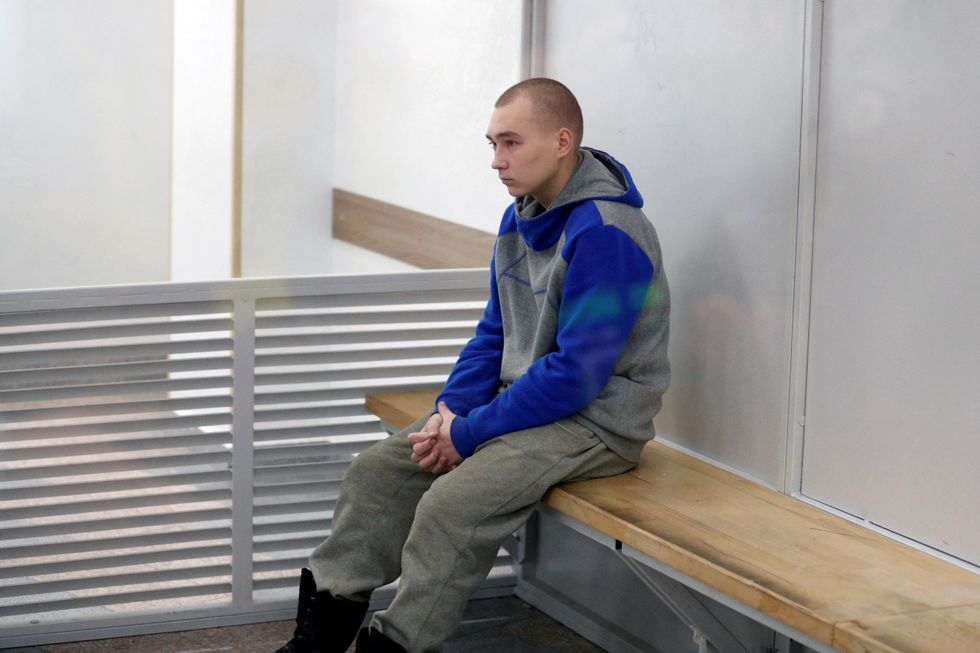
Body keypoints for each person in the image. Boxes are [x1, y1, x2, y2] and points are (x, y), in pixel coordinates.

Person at [274, 77, 670, 653]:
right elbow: (494, 333)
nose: (496, 160)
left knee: (450, 507)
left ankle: (400, 644)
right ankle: (317, 643)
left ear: (562, 142)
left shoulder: (609, 233)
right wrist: (450, 412)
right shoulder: (519, 217)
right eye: (493, 143)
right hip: (525, 402)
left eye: (511, 143)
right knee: (376, 474)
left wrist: (468, 433)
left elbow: (577, 376)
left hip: (597, 421)